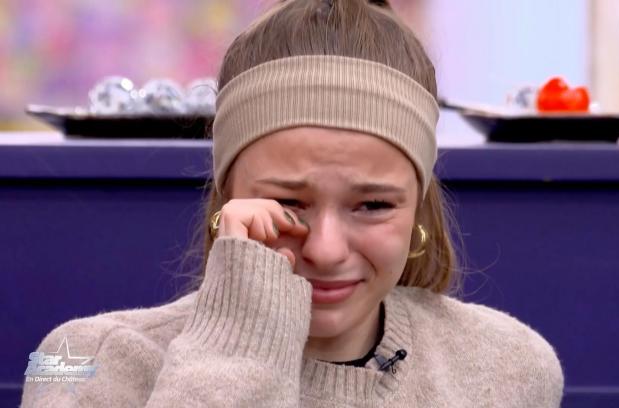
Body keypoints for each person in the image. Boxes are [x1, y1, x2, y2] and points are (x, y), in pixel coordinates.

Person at [22, 0, 564, 406]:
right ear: (226, 200)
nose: (326, 250)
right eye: (287, 202)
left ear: (417, 210)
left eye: (373, 205)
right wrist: (241, 343)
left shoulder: (509, 366)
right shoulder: (81, 360)